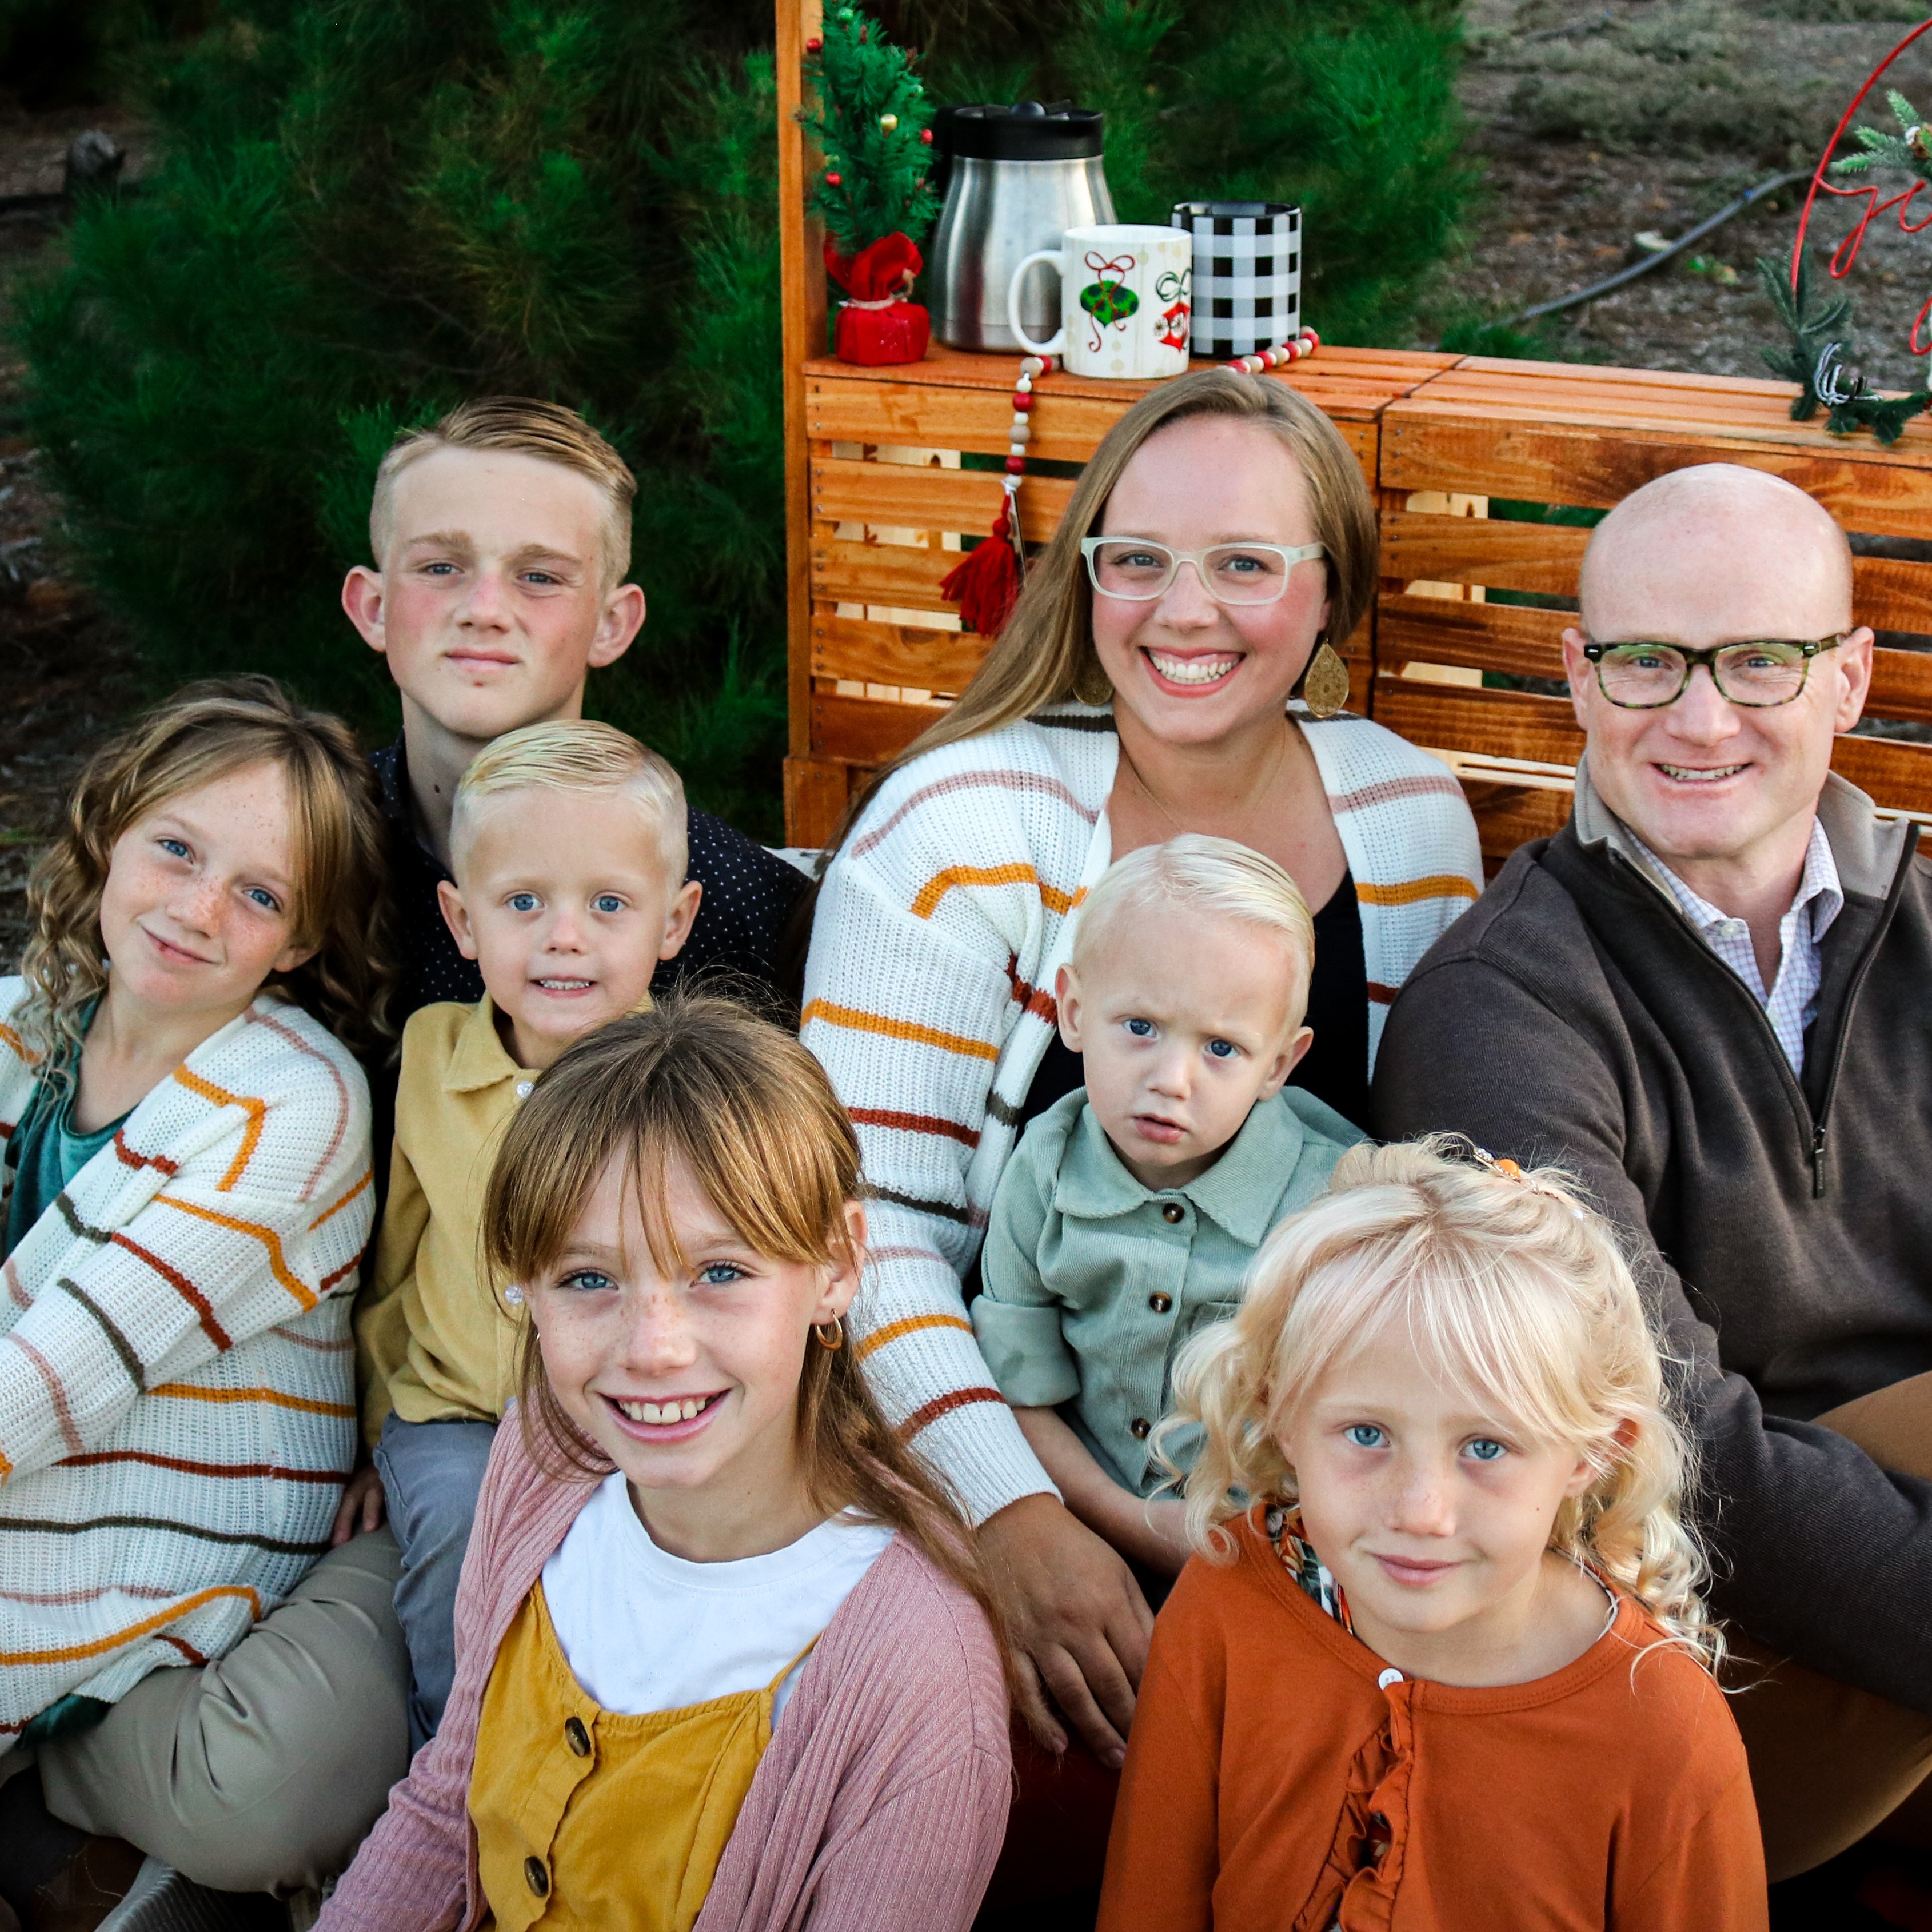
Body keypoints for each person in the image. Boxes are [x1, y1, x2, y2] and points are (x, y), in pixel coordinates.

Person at [802, 366, 1482, 1838]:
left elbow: (1412, 1201)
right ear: (1086, 576)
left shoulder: (1410, 819)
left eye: (1244, 564)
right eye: (1138, 559)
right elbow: (858, 1228)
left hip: (1314, 1487)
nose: (1184, 612)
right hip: (1002, 1436)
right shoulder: (959, 827)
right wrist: (1014, 1516)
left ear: (1329, 593)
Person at [1373, 461, 1932, 1878]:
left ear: (1848, 677)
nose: (1698, 716)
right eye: (1645, 661)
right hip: (1698, 1656)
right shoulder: (1496, 1009)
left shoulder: (1921, 928)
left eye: (1757, 659)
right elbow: (1651, 1428)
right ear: (1577, 675)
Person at [322, 999, 1011, 1932]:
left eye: (719, 1272)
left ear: (837, 1265)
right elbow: (449, 1806)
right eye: (589, 1279)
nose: (654, 1349)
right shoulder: (539, 1460)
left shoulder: (915, 1671)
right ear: (526, 1290)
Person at [1099, 1139, 1766, 1932]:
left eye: (1485, 1447)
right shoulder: (1227, 1598)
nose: (1420, 1511)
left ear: (1593, 1452)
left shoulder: (1664, 1730)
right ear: (1280, 1413)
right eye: (1367, 1434)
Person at [0, 679, 409, 1918]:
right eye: (176, 849)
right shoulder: (29, 1023)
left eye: (261, 895)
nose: (197, 909)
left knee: (252, 1790)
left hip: (174, 1531)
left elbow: (54, 1380)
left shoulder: (294, 1100)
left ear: (298, 945)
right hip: (41, 1483)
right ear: (111, 830)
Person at [354, 719, 701, 1749]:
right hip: (454, 1414)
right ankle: (452, 1773)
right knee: (460, 1543)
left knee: (630, 1578)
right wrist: (373, 1438)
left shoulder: (693, 1083)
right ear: (462, 921)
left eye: (608, 905)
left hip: (630, 1416)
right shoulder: (431, 1058)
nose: (564, 938)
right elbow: (395, 1261)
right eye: (522, 904)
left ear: (674, 921)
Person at [973, 835, 1362, 1586]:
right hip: (1075, 1524)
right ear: (1075, 1011)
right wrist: (1122, 1522)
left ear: (1279, 1064)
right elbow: (1017, 1394)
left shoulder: (1334, 1206)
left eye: (1221, 1048)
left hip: (1273, 1563)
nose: (1172, 1079)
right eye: (1140, 1027)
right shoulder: (1045, 1170)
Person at [340, 396, 806, 1019]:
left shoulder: (741, 904)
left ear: (612, 625)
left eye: (539, 577)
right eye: (441, 566)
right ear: (373, 608)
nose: (484, 609)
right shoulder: (311, 855)